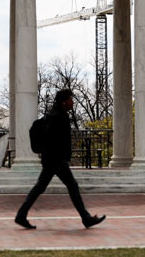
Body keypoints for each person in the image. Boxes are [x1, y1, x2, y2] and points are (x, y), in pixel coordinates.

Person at [15, 88, 106, 230]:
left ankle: (21, 215)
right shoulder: (59, 117)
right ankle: (86, 218)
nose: (72, 102)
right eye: (70, 99)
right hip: (55, 159)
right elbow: (55, 139)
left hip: (51, 159)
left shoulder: (54, 115)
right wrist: (61, 156)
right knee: (71, 185)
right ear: (64, 102)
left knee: (41, 187)